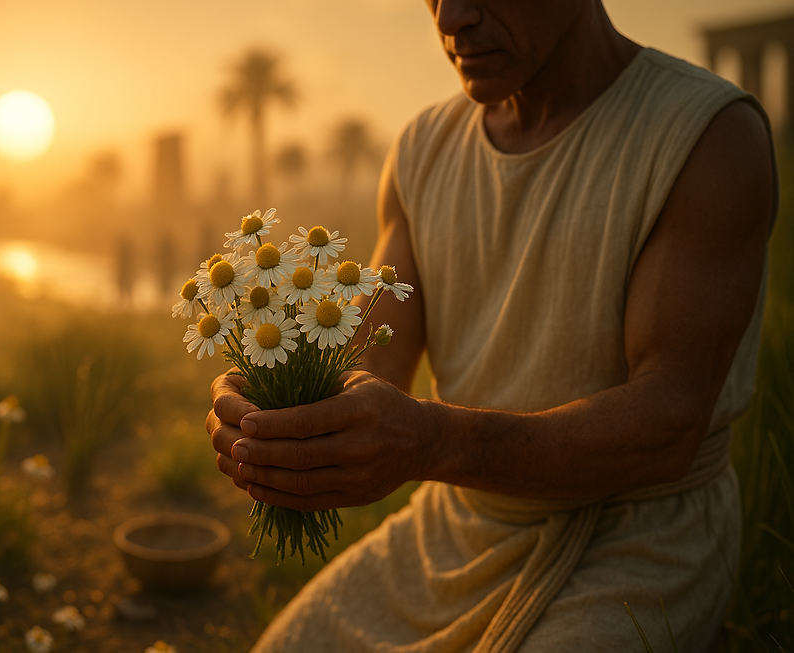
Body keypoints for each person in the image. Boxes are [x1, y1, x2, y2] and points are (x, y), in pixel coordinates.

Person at [206, 0, 777, 650]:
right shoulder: (422, 151)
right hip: (458, 525)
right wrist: (278, 400)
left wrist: (432, 442)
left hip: (640, 540)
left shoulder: (703, 136)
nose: (450, 17)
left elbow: (668, 421)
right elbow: (372, 361)